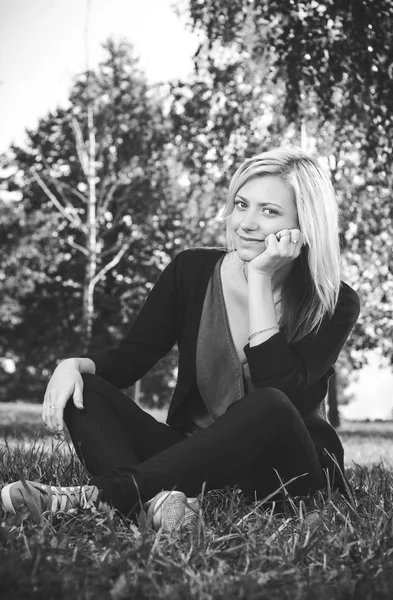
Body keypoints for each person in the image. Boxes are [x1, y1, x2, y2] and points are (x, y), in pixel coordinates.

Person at [1, 148, 360, 532]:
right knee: (85, 388)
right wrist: (73, 365)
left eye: (269, 212)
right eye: (241, 204)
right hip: (193, 458)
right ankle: (162, 504)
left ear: (305, 225)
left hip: (285, 472)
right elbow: (132, 357)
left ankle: (101, 497)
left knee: (269, 403)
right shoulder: (190, 271)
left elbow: (279, 390)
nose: (246, 223)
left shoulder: (334, 302)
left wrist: (260, 279)